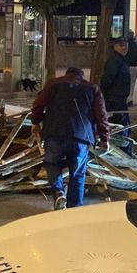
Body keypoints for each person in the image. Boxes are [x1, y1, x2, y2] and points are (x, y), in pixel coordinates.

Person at [31, 67, 110, 210]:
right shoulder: (92, 88)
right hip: (81, 137)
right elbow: (101, 115)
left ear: (66, 74)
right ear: (81, 75)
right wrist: (105, 137)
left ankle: (59, 191)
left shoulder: (53, 84)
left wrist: (35, 122)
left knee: (52, 164)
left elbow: (38, 104)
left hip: (54, 133)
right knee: (78, 173)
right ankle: (75, 209)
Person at [101, 37, 134, 157]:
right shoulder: (114, 61)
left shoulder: (121, 60)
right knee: (119, 127)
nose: (124, 47)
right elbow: (108, 79)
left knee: (123, 126)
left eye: (126, 45)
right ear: (115, 46)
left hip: (119, 98)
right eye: (121, 45)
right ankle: (120, 151)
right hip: (114, 99)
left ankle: (123, 151)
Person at [125, 30, 137, 106]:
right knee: (132, 83)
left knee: (125, 83)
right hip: (134, 66)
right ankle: (130, 99)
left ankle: (126, 99)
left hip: (126, 65)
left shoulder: (125, 44)